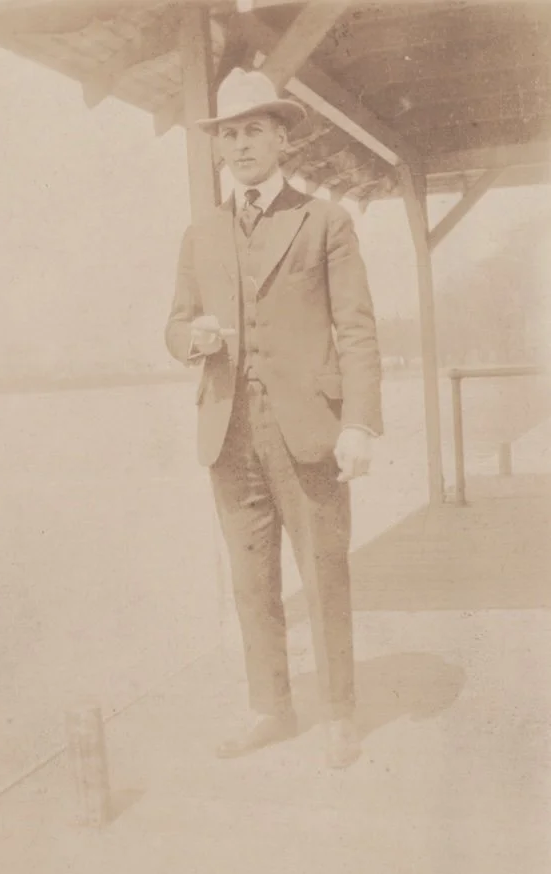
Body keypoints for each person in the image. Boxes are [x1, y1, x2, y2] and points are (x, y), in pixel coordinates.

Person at [165, 68, 383, 768]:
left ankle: (341, 714)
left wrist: (360, 422)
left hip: (309, 431)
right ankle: (272, 708)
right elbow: (173, 325)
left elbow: (356, 329)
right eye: (229, 134)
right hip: (228, 435)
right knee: (250, 579)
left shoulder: (325, 221)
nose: (240, 144)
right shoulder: (201, 233)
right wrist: (189, 338)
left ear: (283, 139)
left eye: (254, 130)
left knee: (324, 572)